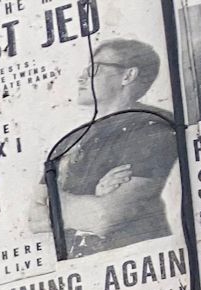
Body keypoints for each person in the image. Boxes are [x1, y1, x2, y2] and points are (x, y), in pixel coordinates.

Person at [53, 40, 177, 253]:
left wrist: (56, 202)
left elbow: (103, 217)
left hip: (135, 262)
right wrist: (95, 195)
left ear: (128, 76)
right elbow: (34, 219)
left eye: (94, 69)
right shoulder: (69, 140)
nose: (82, 77)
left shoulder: (154, 126)